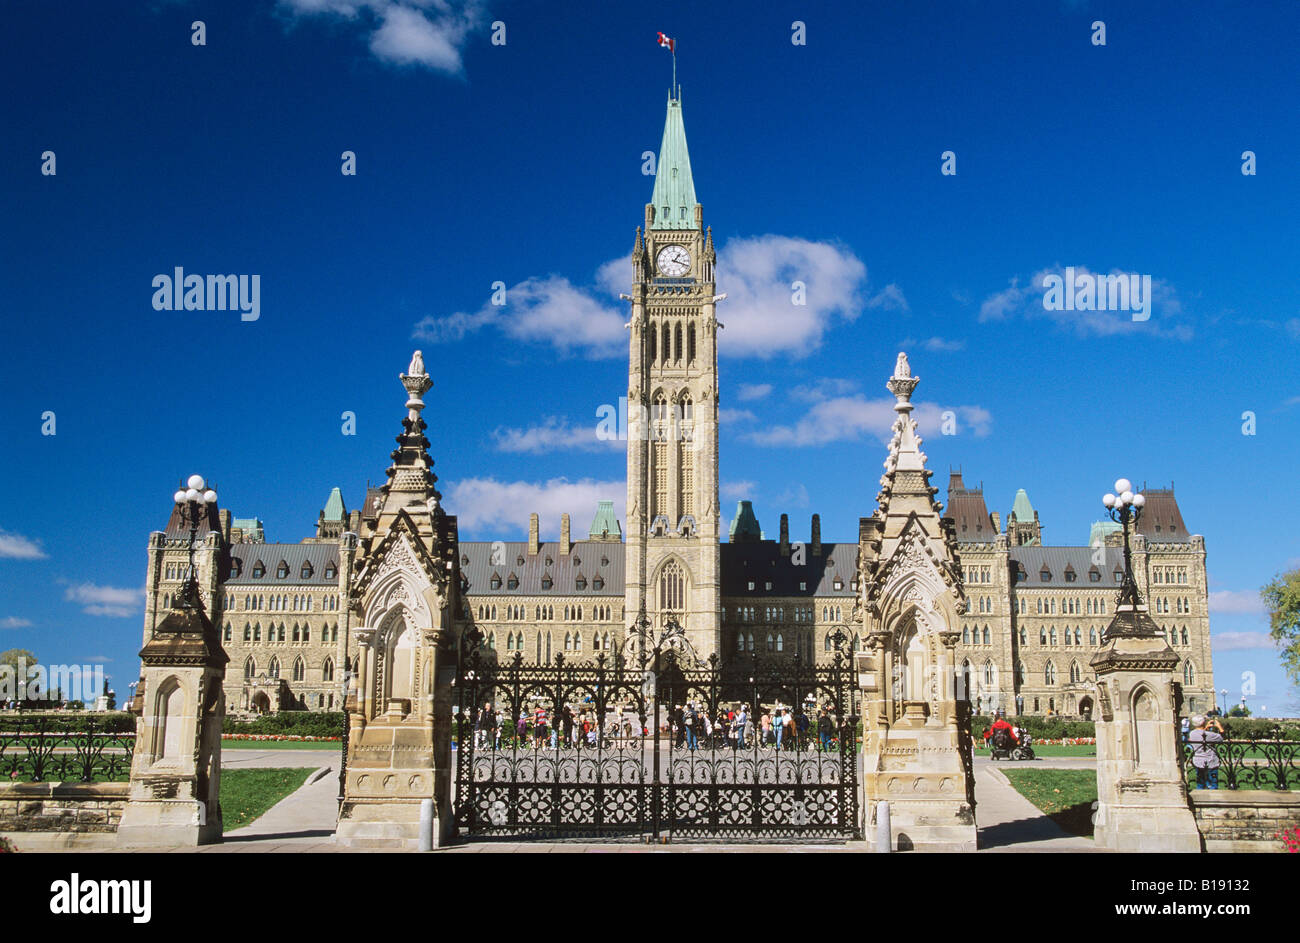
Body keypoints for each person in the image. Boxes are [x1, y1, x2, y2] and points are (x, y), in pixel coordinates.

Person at [1187, 714, 1224, 789]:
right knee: (1213, 784)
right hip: (1211, 761)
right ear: (1203, 723)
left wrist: (1205, 727)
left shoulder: (1192, 734)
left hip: (1198, 761)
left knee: (1200, 783)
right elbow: (1221, 738)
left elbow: (1200, 734)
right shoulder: (1210, 735)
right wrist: (1219, 726)